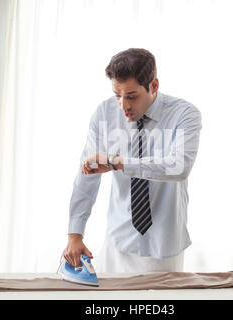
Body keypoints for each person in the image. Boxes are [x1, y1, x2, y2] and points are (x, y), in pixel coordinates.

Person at [62, 48, 202, 273]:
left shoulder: (184, 114)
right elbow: (86, 175)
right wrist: (74, 234)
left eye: (132, 96)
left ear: (154, 86)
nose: (123, 105)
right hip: (117, 242)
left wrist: (117, 162)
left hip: (164, 247)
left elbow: (179, 166)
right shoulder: (105, 113)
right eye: (117, 95)